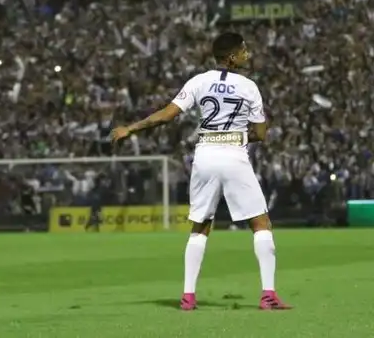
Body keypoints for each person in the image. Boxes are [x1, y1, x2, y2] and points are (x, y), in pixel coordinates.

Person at [110, 32, 291, 310]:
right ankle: (268, 295)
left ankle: (188, 296)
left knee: (201, 225)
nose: (248, 55)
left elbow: (167, 116)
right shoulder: (249, 87)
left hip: (205, 153)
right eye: (243, 51)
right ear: (231, 57)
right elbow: (261, 134)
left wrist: (130, 128)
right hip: (233, 154)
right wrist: (238, 134)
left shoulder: (199, 81)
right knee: (260, 223)